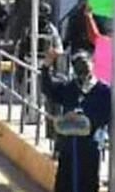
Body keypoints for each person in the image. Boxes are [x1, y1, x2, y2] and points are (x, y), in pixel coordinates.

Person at [41, 49, 110, 192]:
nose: (83, 75)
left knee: (87, 184)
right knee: (65, 184)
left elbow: (104, 116)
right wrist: (46, 66)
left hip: (89, 147)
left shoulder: (103, 91)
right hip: (68, 147)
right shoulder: (70, 87)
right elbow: (49, 89)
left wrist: (84, 119)